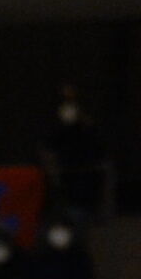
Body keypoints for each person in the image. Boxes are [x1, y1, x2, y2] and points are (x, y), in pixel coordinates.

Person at [39, 84, 108, 220]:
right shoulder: (54, 127)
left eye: (72, 103)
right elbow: (46, 148)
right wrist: (52, 170)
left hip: (85, 169)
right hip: (64, 170)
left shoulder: (86, 125)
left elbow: (98, 145)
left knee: (84, 204)